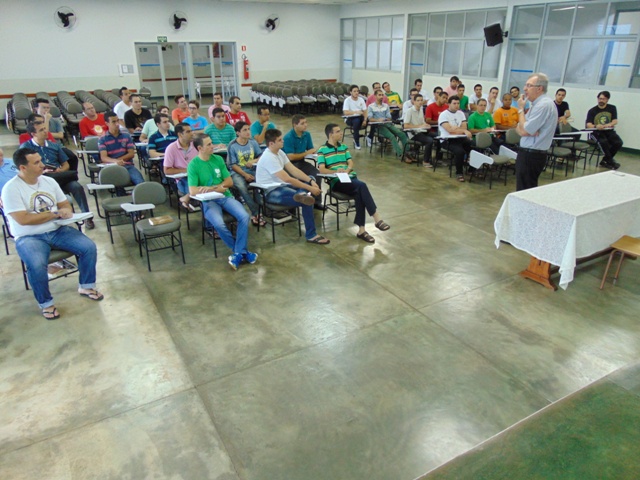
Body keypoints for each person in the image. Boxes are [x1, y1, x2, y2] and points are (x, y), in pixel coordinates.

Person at [1, 147, 103, 320]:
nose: (42, 165)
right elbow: (23, 219)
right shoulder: (11, 189)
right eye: (37, 163)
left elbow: (65, 204)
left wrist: (65, 211)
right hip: (29, 236)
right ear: (23, 168)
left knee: (88, 247)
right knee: (36, 264)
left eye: (40, 160)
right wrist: (53, 214)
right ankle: (46, 303)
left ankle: (86, 285)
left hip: (57, 229)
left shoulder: (49, 182)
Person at [188, 135, 256, 270]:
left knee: (244, 216)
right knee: (218, 223)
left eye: (211, 143)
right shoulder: (193, 165)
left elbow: (229, 182)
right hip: (208, 201)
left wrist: (212, 188)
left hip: (224, 196)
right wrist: (216, 187)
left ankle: (238, 253)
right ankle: (241, 252)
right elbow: (193, 191)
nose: (212, 146)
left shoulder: (218, 159)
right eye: (208, 144)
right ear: (200, 148)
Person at [317, 124, 390, 243]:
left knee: (359, 193)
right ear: (330, 134)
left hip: (350, 178)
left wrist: (347, 169)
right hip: (336, 181)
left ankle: (362, 231)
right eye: (338, 131)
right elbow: (322, 169)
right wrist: (336, 171)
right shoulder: (322, 150)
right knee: (362, 185)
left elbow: (350, 162)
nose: (341, 133)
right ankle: (377, 219)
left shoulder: (344, 147)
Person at [256, 129, 330, 245]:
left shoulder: (279, 152)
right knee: (307, 200)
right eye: (280, 140)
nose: (283, 141)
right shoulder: (268, 157)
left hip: (284, 187)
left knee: (310, 178)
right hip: (271, 192)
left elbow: (293, 170)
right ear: (271, 143)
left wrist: (310, 181)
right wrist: (311, 188)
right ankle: (311, 234)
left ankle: (302, 194)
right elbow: (287, 178)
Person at [20, 123, 94, 228]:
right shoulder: (26, 148)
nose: (46, 131)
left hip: (58, 177)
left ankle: (87, 217)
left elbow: (66, 165)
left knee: (76, 186)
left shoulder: (54, 145)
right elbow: (25, 169)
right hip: (40, 180)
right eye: (41, 130)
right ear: (33, 134)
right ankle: (53, 218)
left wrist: (60, 170)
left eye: (45, 129)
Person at [515, 73, 557, 190]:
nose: (524, 89)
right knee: (523, 188)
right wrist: (523, 127)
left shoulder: (543, 105)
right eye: (525, 85)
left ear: (539, 88)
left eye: (529, 85)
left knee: (525, 190)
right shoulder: (536, 104)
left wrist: (520, 110)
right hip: (528, 153)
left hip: (531, 155)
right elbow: (519, 128)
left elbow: (524, 130)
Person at [282, 114, 323, 209]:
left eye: (306, 122)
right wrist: (306, 153)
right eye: (302, 123)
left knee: (316, 174)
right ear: (295, 125)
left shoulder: (307, 134)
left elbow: (311, 149)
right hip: (289, 165)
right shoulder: (288, 137)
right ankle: (295, 202)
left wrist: (314, 152)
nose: (306, 125)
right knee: (295, 180)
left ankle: (316, 201)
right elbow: (291, 157)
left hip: (301, 162)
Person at [227, 121, 264, 226]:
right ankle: (256, 212)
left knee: (261, 182)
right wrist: (245, 175)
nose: (248, 132)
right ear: (238, 133)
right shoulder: (232, 145)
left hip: (252, 169)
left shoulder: (253, 142)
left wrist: (253, 161)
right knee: (242, 186)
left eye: (248, 129)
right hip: (237, 172)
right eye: (245, 130)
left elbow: (261, 156)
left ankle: (261, 206)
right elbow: (232, 165)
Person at [98, 111, 145, 188]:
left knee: (140, 182)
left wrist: (119, 160)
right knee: (118, 185)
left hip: (128, 166)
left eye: (117, 121)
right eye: (113, 122)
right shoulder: (102, 139)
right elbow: (103, 157)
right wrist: (116, 162)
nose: (117, 124)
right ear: (107, 123)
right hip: (113, 168)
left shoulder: (126, 136)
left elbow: (131, 154)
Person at [367, 90, 411, 161]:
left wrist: (385, 119)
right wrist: (378, 120)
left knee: (401, 134)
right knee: (392, 136)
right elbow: (370, 119)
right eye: (379, 95)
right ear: (375, 96)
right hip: (378, 126)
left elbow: (389, 117)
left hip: (387, 123)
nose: (381, 96)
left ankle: (408, 153)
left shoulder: (386, 105)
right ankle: (401, 154)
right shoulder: (371, 106)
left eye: (382, 95)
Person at [438, 95, 472, 182]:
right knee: (460, 151)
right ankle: (459, 173)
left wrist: (457, 128)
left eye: (458, 103)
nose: (456, 105)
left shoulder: (461, 113)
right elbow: (450, 131)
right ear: (449, 104)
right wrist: (462, 130)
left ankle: (472, 169)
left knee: (473, 146)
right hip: (447, 140)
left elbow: (464, 127)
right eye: (454, 103)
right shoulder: (443, 115)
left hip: (460, 138)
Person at [163, 123, 197, 210]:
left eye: (192, 130)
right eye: (188, 131)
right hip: (183, 179)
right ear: (180, 134)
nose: (192, 133)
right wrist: (187, 170)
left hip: (199, 175)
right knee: (196, 189)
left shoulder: (196, 145)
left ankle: (186, 198)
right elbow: (167, 170)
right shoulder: (171, 148)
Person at [586, 91, 623, 170]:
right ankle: (611, 161)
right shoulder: (592, 110)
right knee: (604, 142)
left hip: (608, 131)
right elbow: (588, 125)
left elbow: (615, 121)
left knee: (618, 142)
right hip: (596, 132)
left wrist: (607, 125)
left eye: (603, 99)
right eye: (600, 98)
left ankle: (605, 160)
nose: (601, 100)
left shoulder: (612, 108)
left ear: (607, 100)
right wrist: (596, 126)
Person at [403, 94, 434, 167]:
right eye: (418, 100)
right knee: (429, 140)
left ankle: (437, 158)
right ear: (414, 102)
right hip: (413, 133)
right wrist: (420, 126)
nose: (420, 102)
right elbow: (406, 125)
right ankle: (425, 161)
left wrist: (426, 125)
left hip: (422, 131)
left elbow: (422, 122)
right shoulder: (409, 111)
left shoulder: (421, 109)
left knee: (436, 135)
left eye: (421, 100)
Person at [342, 84, 368, 150]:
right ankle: (356, 141)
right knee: (356, 121)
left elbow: (365, 111)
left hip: (360, 117)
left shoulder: (361, 99)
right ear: (351, 92)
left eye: (357, 91)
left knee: (368, 120)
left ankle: (368, 137)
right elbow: (346, 112)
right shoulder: (347, 100)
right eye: (354, 91)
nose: (356, 93)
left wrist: (365, 120)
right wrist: (356, 112)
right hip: (350, 118)